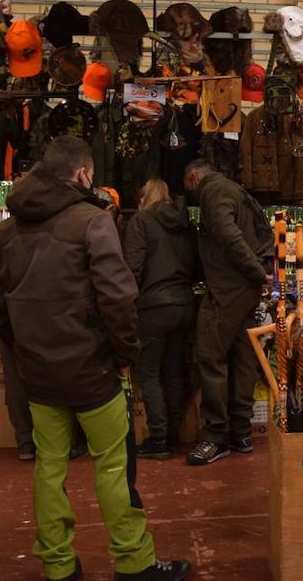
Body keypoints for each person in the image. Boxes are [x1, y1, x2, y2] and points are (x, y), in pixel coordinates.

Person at [0, 136, 190, 581]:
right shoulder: (93, 223)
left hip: (38, 375)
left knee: (49, 468)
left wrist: (22, 351)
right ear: (82, 175)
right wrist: (124, 355)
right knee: (114, 468)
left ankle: (59, 567)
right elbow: (118, 298)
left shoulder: (4, 232)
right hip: (92, 371)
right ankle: (134, 564)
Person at [181, 159, 272, 466]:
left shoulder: (211, 191)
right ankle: (241, 432)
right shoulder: (235, 189)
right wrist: (258, 273)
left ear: (194, 177)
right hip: (244, 288)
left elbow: (227, 235)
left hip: (227, 287)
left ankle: (215, 437)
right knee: (243, 356)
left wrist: (257, 272)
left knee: (210, 356)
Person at [124, 177, 200, 460]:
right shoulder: (184, 224)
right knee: (174, 372)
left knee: (149, 373)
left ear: (143, 199)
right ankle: (172, 436)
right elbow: (195, 265)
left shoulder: (140, 223)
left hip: (153, 307)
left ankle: (158, 439)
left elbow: (132, 268)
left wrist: (126, 307)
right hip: (183, 303)